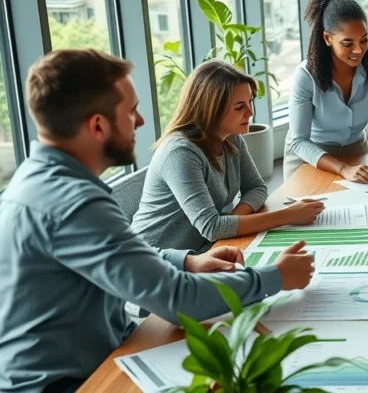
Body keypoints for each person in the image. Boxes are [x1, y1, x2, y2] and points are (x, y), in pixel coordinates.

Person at [0, 50, 313, 393]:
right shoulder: (73, 203)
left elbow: (120, 256)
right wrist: (276, 277)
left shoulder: (40, 180)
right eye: (131, 111)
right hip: (71, 382)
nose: (141, 122)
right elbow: (178, 299)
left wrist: (186, 260)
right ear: (98, 125)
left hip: (106, 351)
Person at [132, 61, 325, 252]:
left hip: (203, 250)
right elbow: (212, 228)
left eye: (250, 101)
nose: (250, 112)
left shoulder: (231, 139)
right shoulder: (180, 153)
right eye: (239, 107)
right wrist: (287, 215)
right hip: (153, 259)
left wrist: (231, 221)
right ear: (211, 109)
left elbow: (256, 188)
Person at [284, 0, 368, 182]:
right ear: (327, 38)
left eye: (364, 40)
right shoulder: (305, 76)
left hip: (355, 150)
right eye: (347, 43)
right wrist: (343, 169)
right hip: (310, 157)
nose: (358, 50)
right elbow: (299, 141)